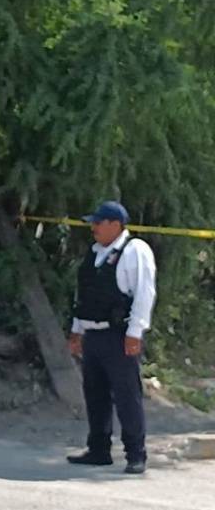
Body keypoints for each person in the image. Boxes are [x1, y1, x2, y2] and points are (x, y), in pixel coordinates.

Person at [66, 200, 157, 475]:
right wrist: (77, 330)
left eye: (98, 222)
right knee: (95, 394)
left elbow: (144, 293)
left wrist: (135, 332)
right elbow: (85, 297)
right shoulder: (94, 254)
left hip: (119, 335)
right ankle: (98, 449)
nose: (93, 227)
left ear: (115, 225)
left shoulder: (134, 251)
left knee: (127, 395)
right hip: (93, 333)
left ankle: (135, 454)